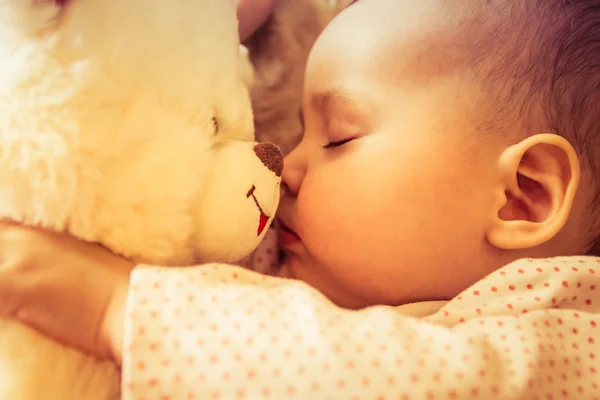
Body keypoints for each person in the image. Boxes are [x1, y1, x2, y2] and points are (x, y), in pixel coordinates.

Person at [1, 0, 600, 398]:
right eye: (299, 132)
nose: (287, 164)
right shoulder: (332, 270)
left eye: (338, 136)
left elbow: (385, 376)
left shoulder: (564, 343)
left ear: (522, 198)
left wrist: (116, 307)